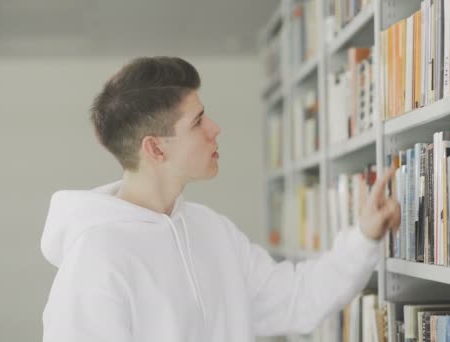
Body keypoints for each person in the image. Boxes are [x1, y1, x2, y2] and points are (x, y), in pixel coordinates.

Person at [40, 57, 401, 342]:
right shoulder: (96, 260)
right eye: (197, 121)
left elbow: (296, 300)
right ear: (155, 148)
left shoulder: (212, 230)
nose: (215, 128)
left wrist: (365, 236)